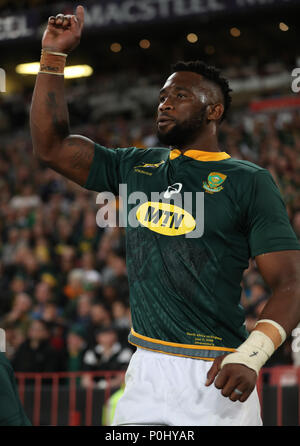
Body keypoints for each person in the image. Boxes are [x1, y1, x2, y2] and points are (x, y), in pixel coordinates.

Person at [29, 5, 300, 426]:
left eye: (180, 96)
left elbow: (292, 280)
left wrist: (253, 354)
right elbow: (51, 146)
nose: (165, 103)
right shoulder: (134, 165)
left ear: (215, 112)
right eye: (162, 96)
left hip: (215, 376)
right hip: (144, 375)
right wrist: (52, 56)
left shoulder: (248, 181)